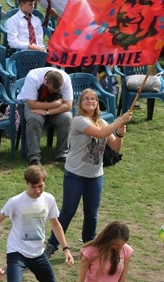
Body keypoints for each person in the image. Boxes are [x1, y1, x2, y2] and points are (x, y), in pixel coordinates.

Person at [44, 89, 131, 258]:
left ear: (97, 103)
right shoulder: (78, 121)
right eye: (86, 99)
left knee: (92, 214)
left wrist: (120, 133)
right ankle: (52, 244)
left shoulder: (103, 123)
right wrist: (120, 119)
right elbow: (100, 134)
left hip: (95, 176)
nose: (90, 101)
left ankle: (89, 246)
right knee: (68, 211)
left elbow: (116, 147)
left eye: (93, 99)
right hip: (75, 174)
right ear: (81, 103)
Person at [16, 67, 73, 165]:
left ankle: (62, 154)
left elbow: (68, 105)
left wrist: (47, 112)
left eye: (55, 91)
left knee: (67, 118)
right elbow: (32, 104)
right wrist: (55, 104)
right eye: (50, 90)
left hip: (51, 106)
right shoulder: (33, 76)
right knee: (34, 118)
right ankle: (34, 157)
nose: (52, 93)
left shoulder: (66, 78)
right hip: (33, 103)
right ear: (45, 80)